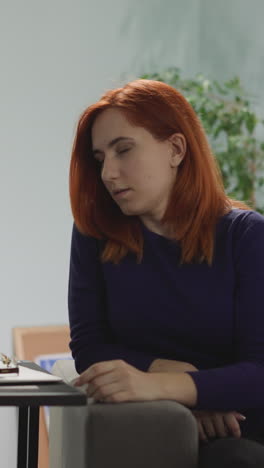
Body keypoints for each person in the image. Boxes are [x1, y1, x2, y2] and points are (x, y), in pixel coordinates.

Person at [68, 78, 264, 467]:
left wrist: (165, 386)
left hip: (245, 433)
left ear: (175, 149)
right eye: (100, 158)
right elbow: (90, 346)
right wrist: (185, 380)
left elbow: (260, 372)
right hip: (153, 425)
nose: (108, 172)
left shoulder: (247, 235)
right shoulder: (95, 233)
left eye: (123, 150)